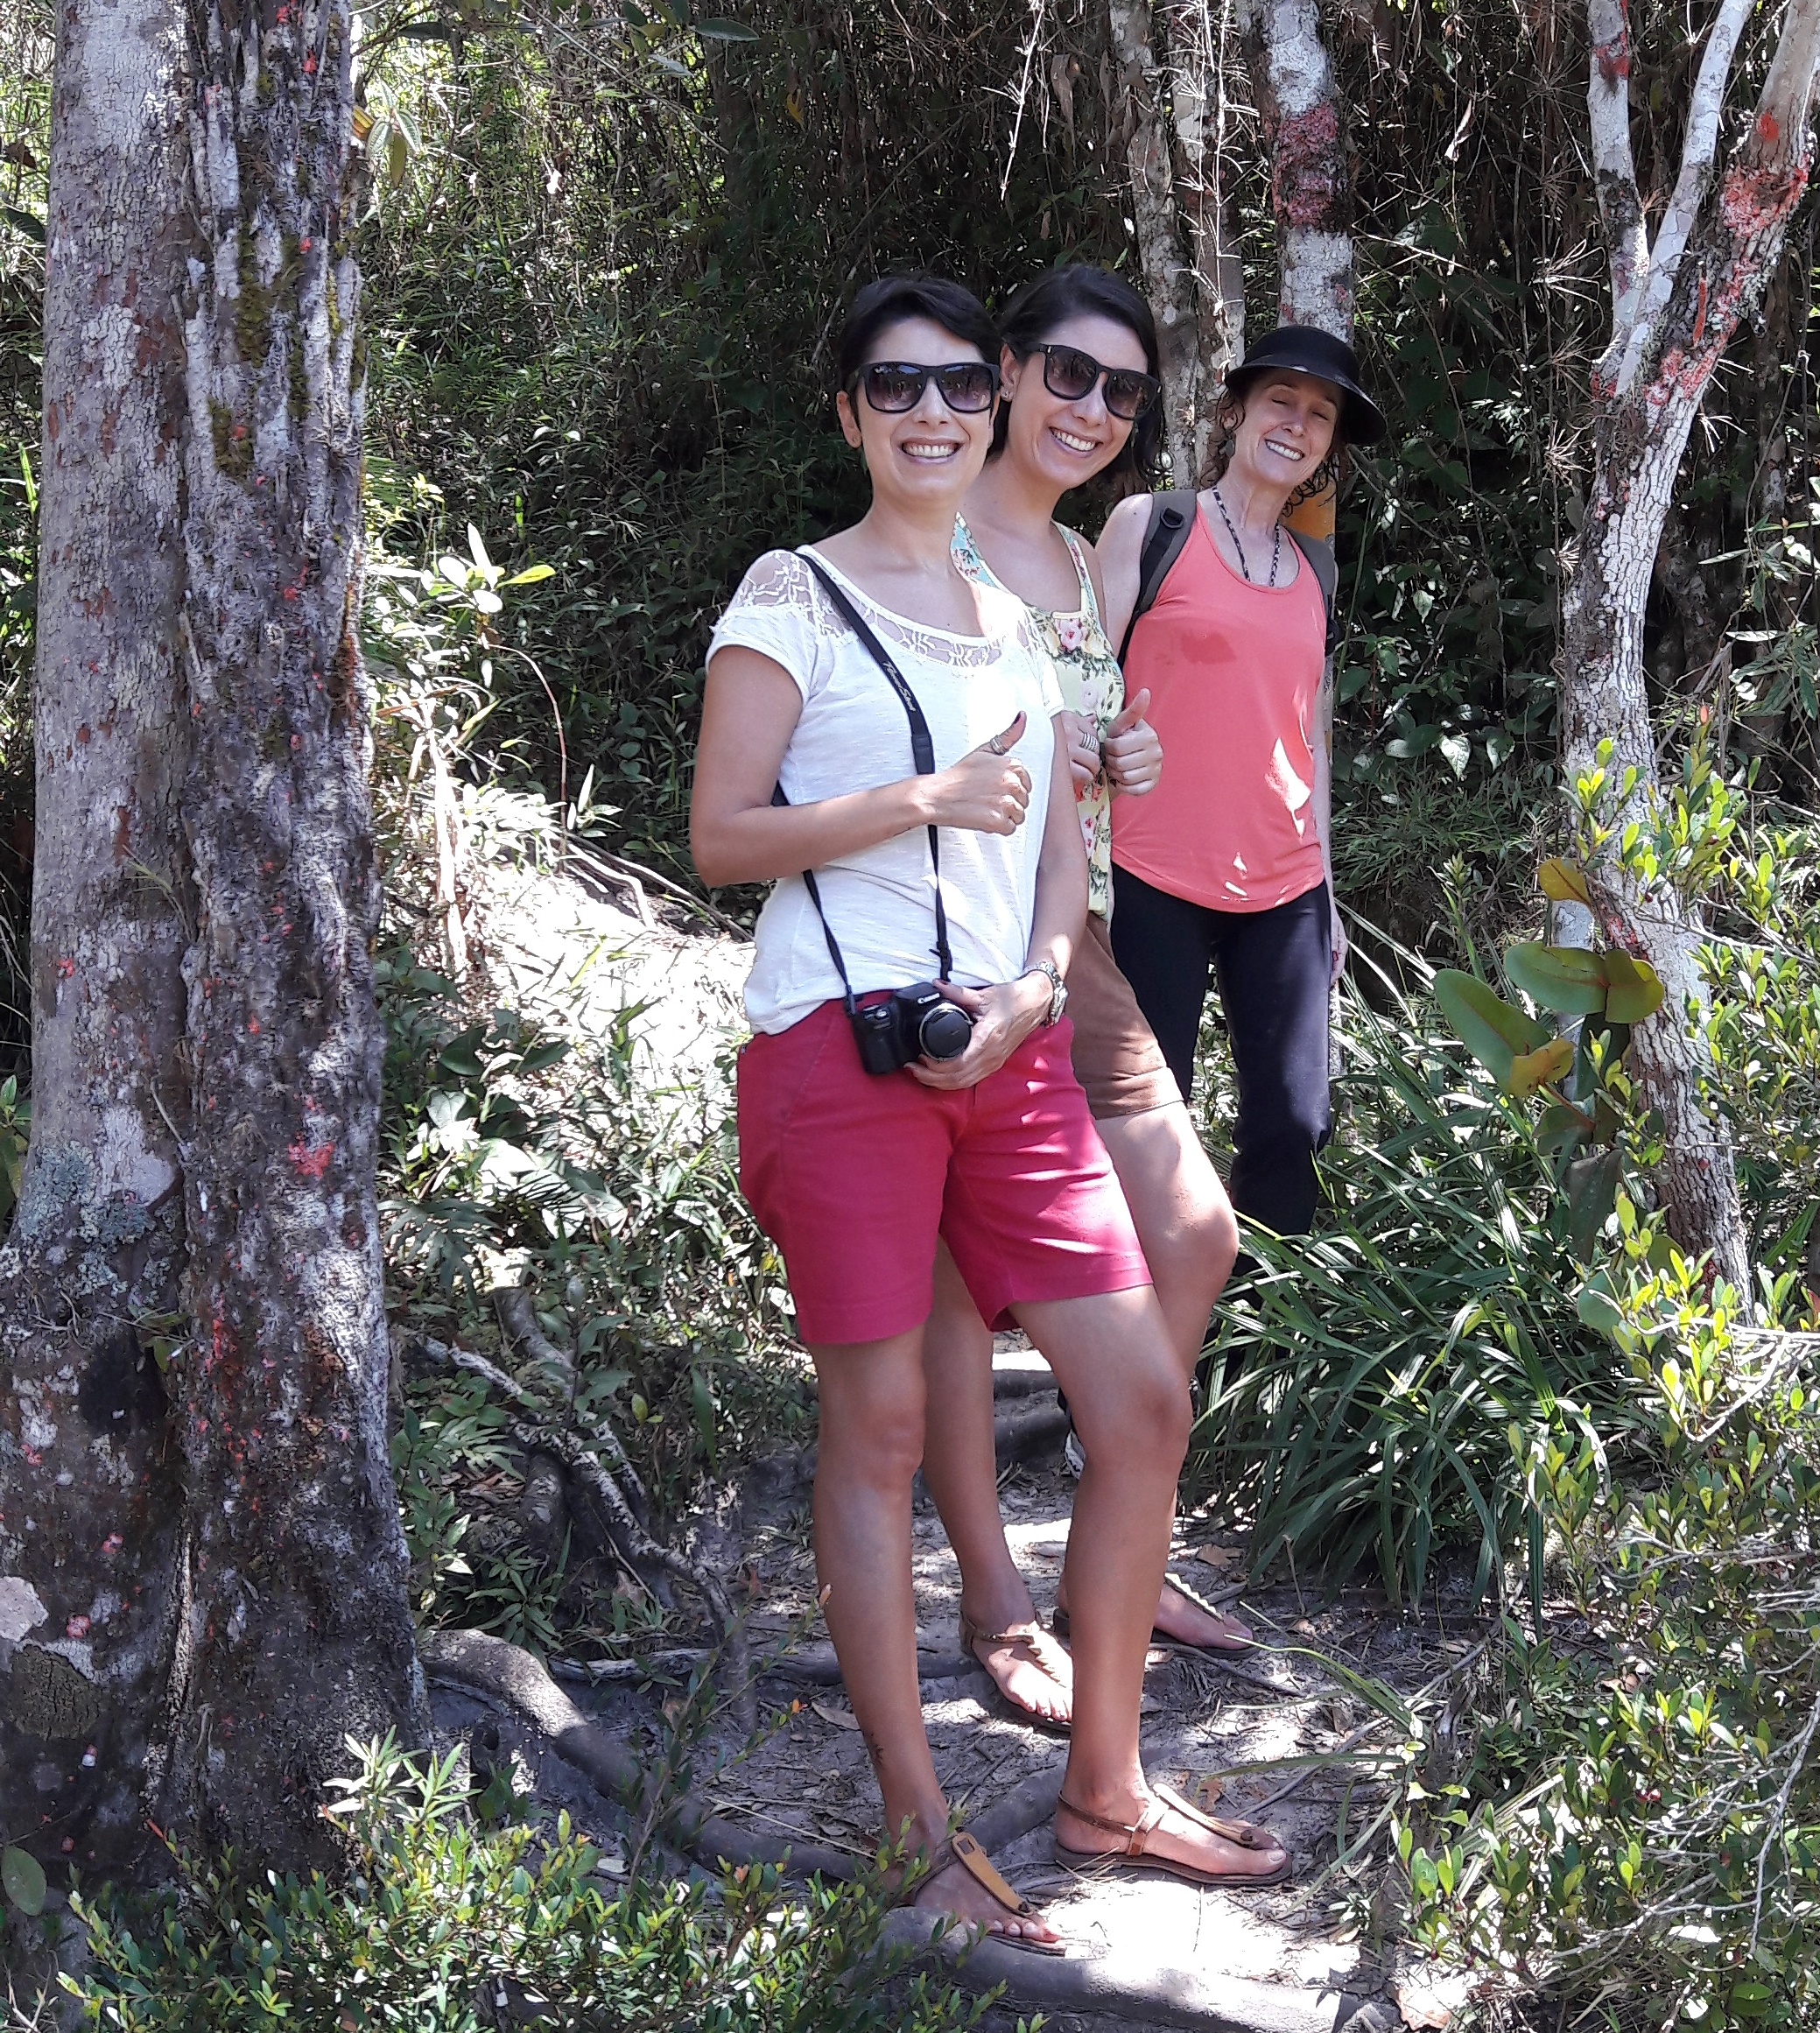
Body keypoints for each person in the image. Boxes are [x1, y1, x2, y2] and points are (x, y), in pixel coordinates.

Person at [690, 275, 1289, 1946]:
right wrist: (918, 798)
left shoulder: (1016, 614)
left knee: (1141, 1396)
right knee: (876, 1431)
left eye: (958, 384)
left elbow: (1053, 854)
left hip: (1008, 1051)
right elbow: (722, 836)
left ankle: (1107, 1789)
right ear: (848, 412)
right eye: (896, 387)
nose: (935, 413)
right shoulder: (792, 593)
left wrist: (1030, 990)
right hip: (840, 1056)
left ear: (989, 398)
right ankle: (916, 1825)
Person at [915, 265, 1247, 1738]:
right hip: (945, 940)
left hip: (1073, 941)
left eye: (1122, 391)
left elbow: (1071, 761)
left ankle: (1120, 1541)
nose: (1092, 409)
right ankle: (993, 1600)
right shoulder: (925, 530)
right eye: (1067, 373)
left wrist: (1119, 762)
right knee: (950, 1289)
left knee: (1192, 1230)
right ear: (1003, 369)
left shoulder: (1067, 558)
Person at [1096, 326, 1385, 1238]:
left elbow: (1311, 741)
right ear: (1234, 412)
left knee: (1295, 1125)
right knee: (1150, 1122)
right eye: (1280, 402)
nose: (1297, 425)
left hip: (1285, 887)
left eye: (1319, 415)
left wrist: (1327, 892)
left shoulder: (1315, 571)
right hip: (1151, 874)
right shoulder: (1152, 526)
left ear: (1330, 444)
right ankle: (1135, 1330)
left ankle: (1264, 1327)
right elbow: (1078, 691)